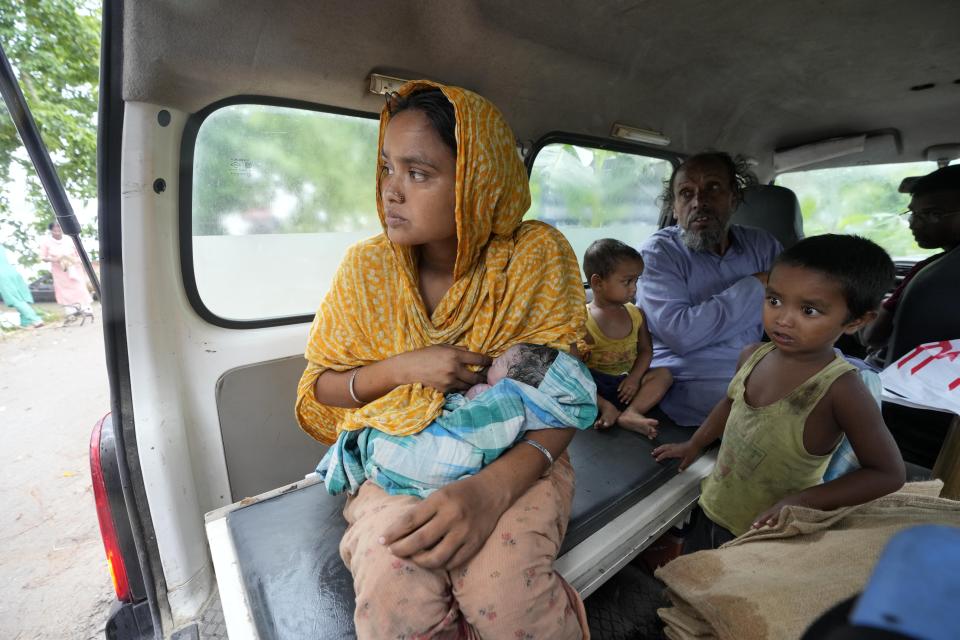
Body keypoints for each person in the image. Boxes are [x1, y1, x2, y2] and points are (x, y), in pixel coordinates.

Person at [296, 83, 590, 638]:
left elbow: (561, 398)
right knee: (391, 586)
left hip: (518, 449)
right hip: (395, 458)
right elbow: (320, 388)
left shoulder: (531, 258)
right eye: (386, 168)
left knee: (501, 590)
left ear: (476, 184)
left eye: (418, 173)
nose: (390, 192)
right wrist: (405, 368)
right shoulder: (366, 270)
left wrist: (489, 491)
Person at [653, 234, 906, 553]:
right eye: (774, 300)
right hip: (715, 506)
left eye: (809, 310)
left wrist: (801, 502)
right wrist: (695, 443)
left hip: (772, 533)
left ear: (857, 321)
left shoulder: (841, 390)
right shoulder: (751, 356)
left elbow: (888, 473)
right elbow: (730, 404)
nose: (783, 319)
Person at [320, 344, 597, 498]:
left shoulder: (502, 398)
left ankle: (371, 454)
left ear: (514, 382)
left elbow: (477, 418)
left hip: (470, 463)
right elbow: (319, 388)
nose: (491, 363)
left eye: (499, 362)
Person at [636, 151, 782, 426]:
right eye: (686, 194)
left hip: (759, 362)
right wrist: (756, 285)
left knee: (854, 378)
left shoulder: (763, 245)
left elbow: (791, 312)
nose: (698, 202)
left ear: (733, 198)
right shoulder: (659, 253)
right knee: (788, 406)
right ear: (675, 208)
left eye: (712, 188)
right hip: (690, 376)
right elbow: (681, 334)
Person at [862, 164, 960, 355]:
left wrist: (880, 306)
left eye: (932, 214)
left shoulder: (929, 273)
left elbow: (873, 336)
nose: (913, 224)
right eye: (913, 214)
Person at [581, 238, 672, 437]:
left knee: (664, 374)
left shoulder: (636, 314)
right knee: (574, 381)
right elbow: (574, 367)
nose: (634, 288)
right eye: (627, 281)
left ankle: (632, 412)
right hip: (597, 385)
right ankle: (606, 407)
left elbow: (646, 351)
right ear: (597, 283)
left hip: (630, 384)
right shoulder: (583, 320)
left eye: (636, 280)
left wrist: (634, 378)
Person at [38, 222, 93, 321]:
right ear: (51, 230)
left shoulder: (69, 240)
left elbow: (79, 254)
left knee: (79, 287)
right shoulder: (46, 242)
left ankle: (86, 308)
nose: (57, 231)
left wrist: (73, 260)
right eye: (55, 230)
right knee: (64, 291)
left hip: (74, 267)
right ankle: (71, 312)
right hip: (60, 270)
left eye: (59, 229)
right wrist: (56, 259)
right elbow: (43, 257)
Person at [0, 247, 44, 328]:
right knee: (21, 298)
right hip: (11, 271)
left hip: (2, 276)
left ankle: (36, 320)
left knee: (15, 299)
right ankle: (26, 323)